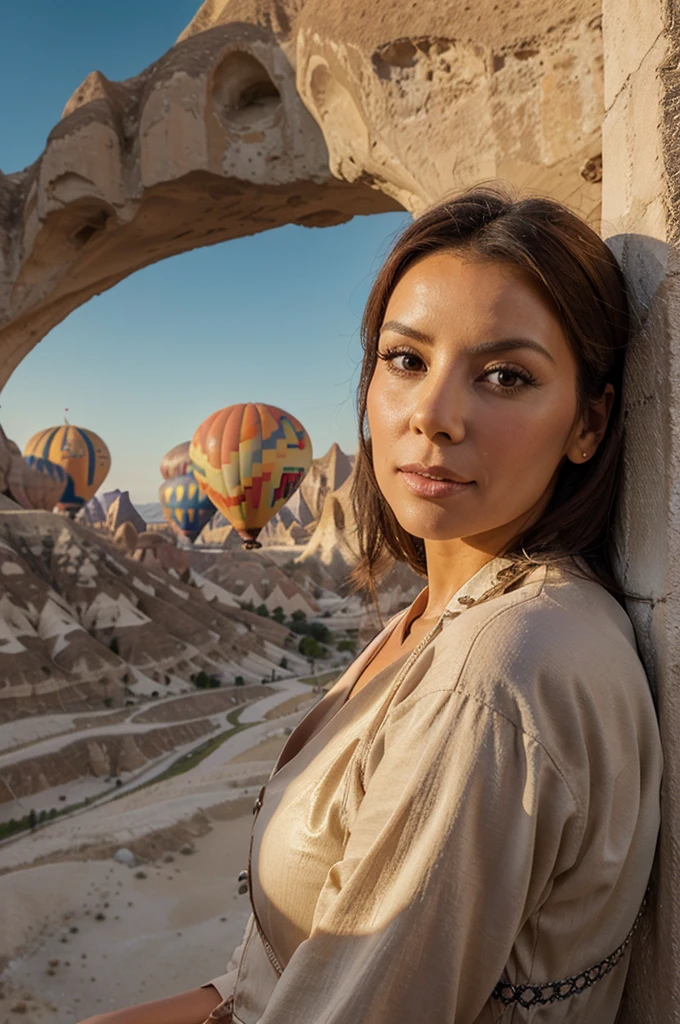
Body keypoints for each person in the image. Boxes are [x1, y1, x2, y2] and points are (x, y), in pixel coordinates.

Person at [79, 186, 662, 1024]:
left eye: (505, 375)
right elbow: (262, 989)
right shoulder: (441, 615)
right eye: (406, 359)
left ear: (589, 424)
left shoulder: (499, 671)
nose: (433, 416)